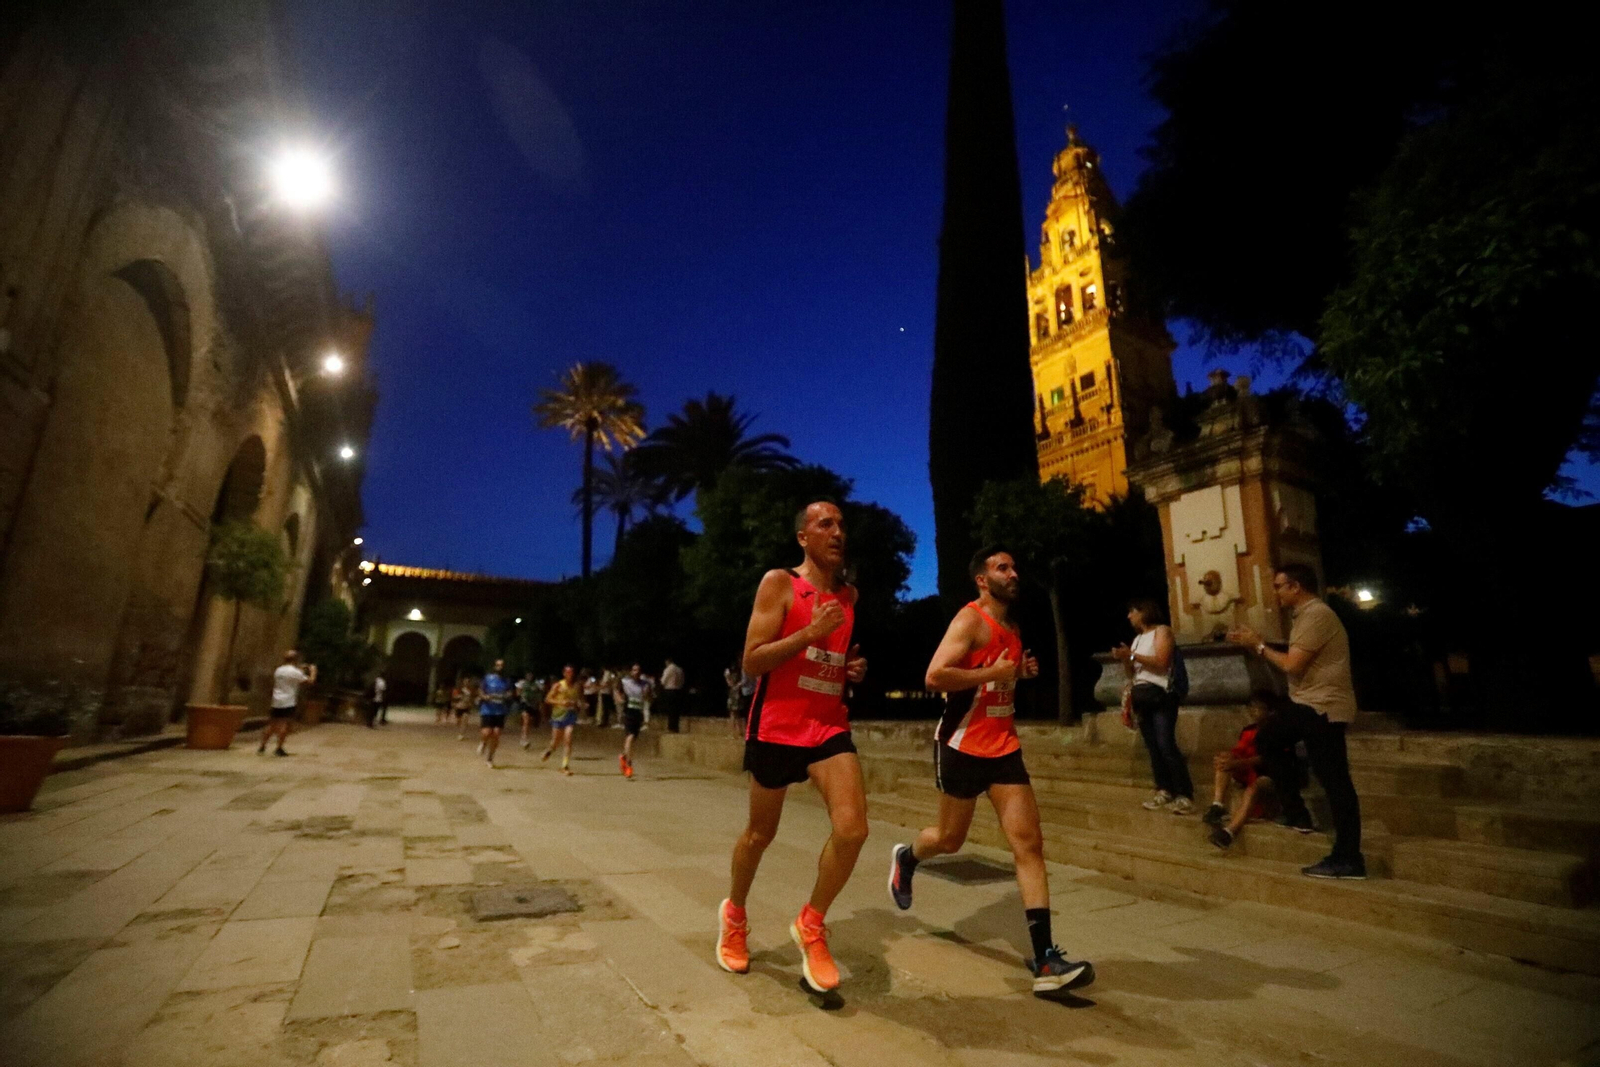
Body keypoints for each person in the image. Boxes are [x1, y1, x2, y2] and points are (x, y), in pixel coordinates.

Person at [887, 547, 1094, 994]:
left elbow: (997, 676)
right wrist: (991, 673)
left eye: (1014, 567)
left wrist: (1018, 673)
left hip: (1003, 748)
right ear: (982, 580)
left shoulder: (1013, 627)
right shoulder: (969, 621)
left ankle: (1045, 961)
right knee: (950, 839)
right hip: (961, 746)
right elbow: (935, 676)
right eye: (1003, 568)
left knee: (1029, 844)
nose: (1013, 573)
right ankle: (908, 858)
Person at [715, 500, 868, 995]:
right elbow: (753, 661)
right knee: (760, 834)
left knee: (853, 829)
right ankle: (735, 914)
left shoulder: (849, 596)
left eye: (841, 524)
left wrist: (848, 668)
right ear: (804, 537)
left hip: (827, 727)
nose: (837, 532)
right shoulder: (779, 583)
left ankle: (811, 922)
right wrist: (810, 632)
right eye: (825, 524)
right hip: (777, 728)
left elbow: (827, 658)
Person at [1229, 563, 1366, 879]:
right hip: (1306, 704)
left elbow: (1292, 665)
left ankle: (1349, 857)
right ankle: (1296, 812)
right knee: (1268, 738)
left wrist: (1258, 645)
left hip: (1323, 708)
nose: (1275, 592)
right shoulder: (1304, 617)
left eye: (1279, 586)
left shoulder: (1317, 615)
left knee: (1335, 780)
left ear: (1295, 587)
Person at [1111, 599, 1195, 815]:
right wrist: (1125, 659)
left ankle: (1184, 794)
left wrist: (1131, 655)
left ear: (1144, 611)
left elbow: (1161, 662)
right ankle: (1164, 789)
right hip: (1142, 696)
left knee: (1166, 744)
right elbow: (1132, 673)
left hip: (1161, 695)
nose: (1129, 616)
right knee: (1153, 747)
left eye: (1132, 611)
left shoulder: (1162, 631)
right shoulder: (1138, 639)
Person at [1202, 688, 1302, 849]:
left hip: (1272, 774)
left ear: (1270, 711)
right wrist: (1227, 757)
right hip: (1249, 769)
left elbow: (1270, 759)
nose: (1253, 711)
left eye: (1258, 707)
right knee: (1224, 762)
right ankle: (1217, 805)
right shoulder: (1249, 730)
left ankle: (1230, 831)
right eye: (1251, 706)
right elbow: (1240, 751)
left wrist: (1238, 763)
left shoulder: (1279, 732)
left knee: (1254, 788)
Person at [260, 650, 314, 756]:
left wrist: (299, 669)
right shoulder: (295, 672)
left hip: (276, 700)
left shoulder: (279, 670)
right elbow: (310, 681)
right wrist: (313, 671)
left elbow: (290, 676)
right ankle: (279, 747)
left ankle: (262, 746)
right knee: (284, 724)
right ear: (296, 659)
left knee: (272, 724)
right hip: (288, 701)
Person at [541, 665, 583, 775]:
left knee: (568, 739)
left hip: (570, 715)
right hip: (558, 715)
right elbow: (547, 699)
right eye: (568, 672)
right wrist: (561, 703)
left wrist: (578, 705)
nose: (570, 674)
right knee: (555, 741)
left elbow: (578, 699)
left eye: (572, 672)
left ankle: (565, 765)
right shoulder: (558, 685)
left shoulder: (576, 686)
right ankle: (550, 750)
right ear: (564, 673)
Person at [478, 659, 511, 767]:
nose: (500, 667)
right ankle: (483, 742)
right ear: (494, 666)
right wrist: (484, 696)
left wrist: (507, 696)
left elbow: (510, 692)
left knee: (496, 734)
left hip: (500, 711)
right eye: (498, 665)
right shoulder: (488, 678)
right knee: (487, 732)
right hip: (487, 709)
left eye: (502, 665)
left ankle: (490, 758)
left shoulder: (507, 681)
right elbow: (481, 690)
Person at [618, 663, 649, 778]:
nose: (637, 672)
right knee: (630, 736)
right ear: (631, 671)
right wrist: (620, 699)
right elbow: (616, 689)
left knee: (633, 738)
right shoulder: (625, 682)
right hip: (629, 711)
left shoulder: (645, 684)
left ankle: (624, 756)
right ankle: (629, 765)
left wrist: (647, 695)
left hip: (638, 713)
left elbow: (648, 697)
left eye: (638, 670)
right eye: (634, 670)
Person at [661, 656, 686, 733]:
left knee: (670, 710)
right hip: (678, 690)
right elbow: (682, 681)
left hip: (670, 690)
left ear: (667, 661)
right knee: (676, 710)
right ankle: (676, 727)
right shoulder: (680, 669)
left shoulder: (668, 669)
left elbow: (663, 681)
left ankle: (671, 727)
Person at [517, 671, 540, 748]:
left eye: (531, 675)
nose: (529, 676)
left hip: (533, 705)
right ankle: (524, 739)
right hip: (525, 704)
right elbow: (518, 693)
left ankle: (524, 737)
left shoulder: (536, 684)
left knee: (529, 722)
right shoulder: (522, 683)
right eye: (528, 675)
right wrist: (522, 696)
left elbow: (540, 692)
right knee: (526, 721)